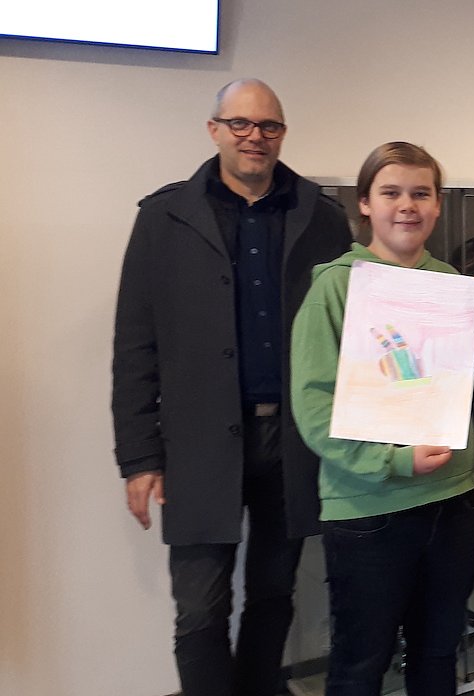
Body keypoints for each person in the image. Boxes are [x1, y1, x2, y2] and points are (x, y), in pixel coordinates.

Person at [111, 78, 351, 696]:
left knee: (273, 594)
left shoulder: (322, 218)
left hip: (291, 439)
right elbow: (134, 344)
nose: (255, 137)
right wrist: (138, 457)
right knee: (199, 607)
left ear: (282, 134)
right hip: (196, 445)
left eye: (269, 125)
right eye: (240, 123)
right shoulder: (164, 218)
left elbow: (354, 329)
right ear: (214, 129)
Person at [289, 141, 474, 695]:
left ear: (438, 205)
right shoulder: (335, 287)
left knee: (438, 654)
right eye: (391, 192)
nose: (407, 205)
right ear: (364, 204)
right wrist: (392, 461)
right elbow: (314, 405)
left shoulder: (450, 284)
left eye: (421, 193)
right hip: (369, 508)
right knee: (359, 665)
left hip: (452, 499)